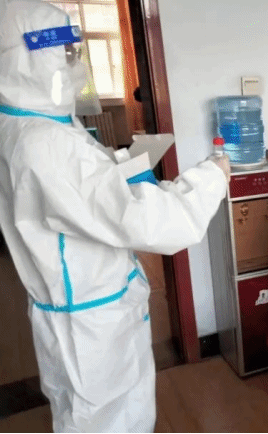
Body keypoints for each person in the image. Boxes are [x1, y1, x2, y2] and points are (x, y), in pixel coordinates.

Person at [0, 1, 230, 432]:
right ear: (26, 57)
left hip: (78, 310)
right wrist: (212, 177)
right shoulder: (45, 142)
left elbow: (83, 189)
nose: (73, 62)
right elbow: (155, 223)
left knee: (93, 415)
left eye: (73, 50)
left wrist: (120, 166)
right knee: (107, 421)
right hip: (91, 327)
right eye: (62, 52)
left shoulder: (26, 122)